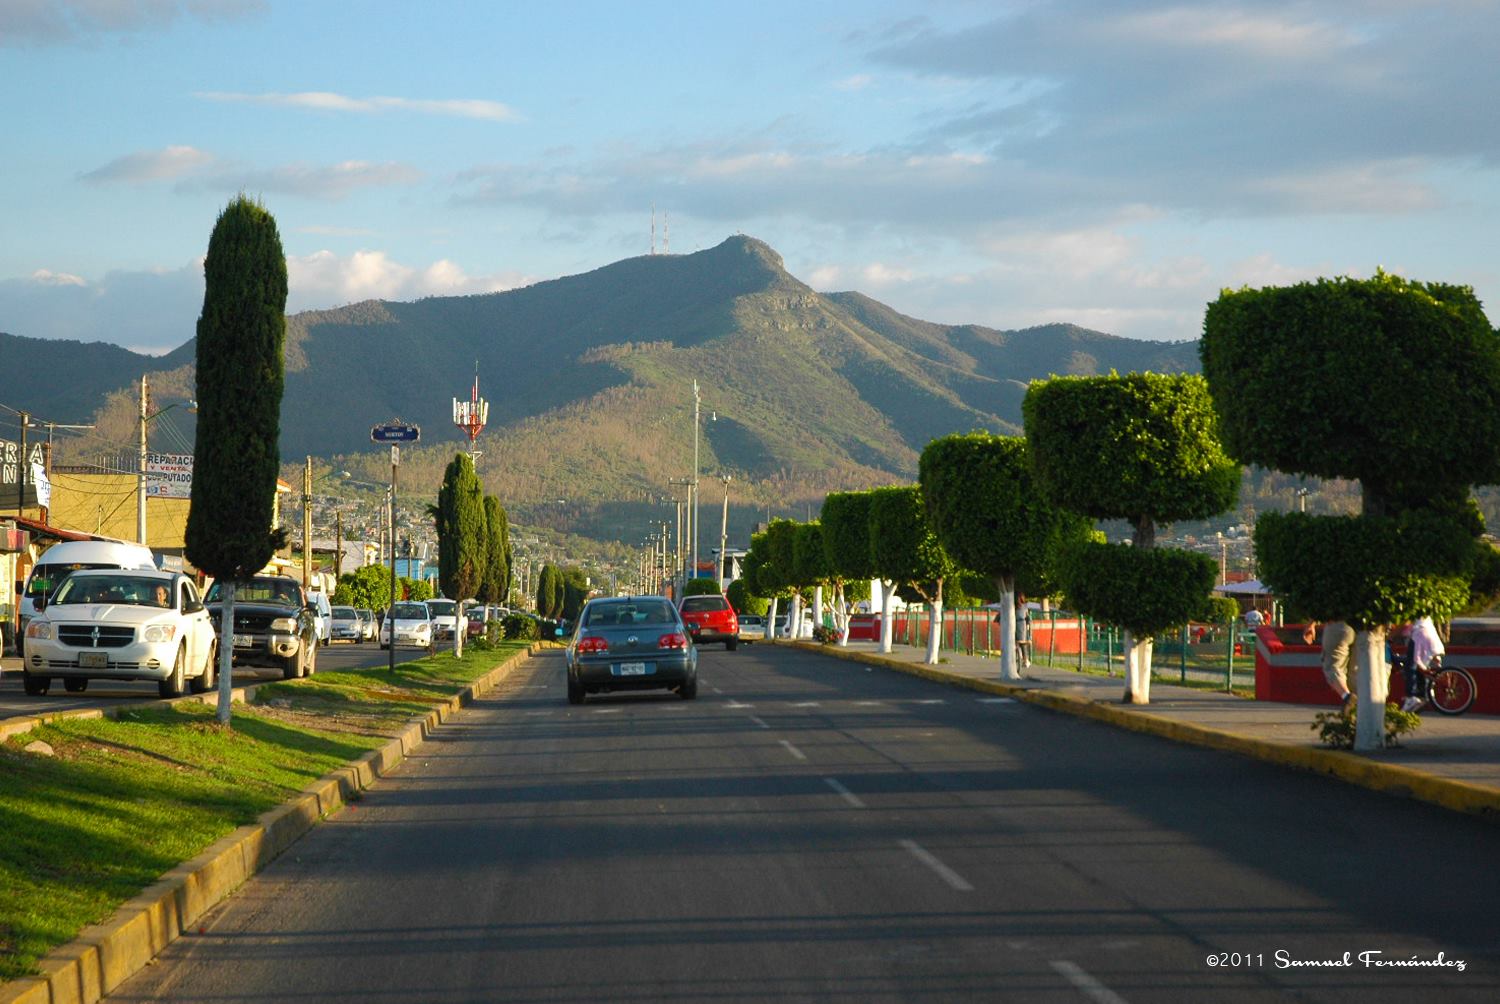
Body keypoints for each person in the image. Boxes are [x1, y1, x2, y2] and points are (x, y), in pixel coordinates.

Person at [1306, 620, 1356, 712]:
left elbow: (1321, 606)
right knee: (1354, 669)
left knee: (1332, 666)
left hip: (1337, 626)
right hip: (1359, 628)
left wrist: (1311, 624)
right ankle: (1358, 705)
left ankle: (1347, 697)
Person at [1403, 616, 1445, 713]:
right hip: (1431, 635)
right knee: (1420, 667)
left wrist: (1389, 636)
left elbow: (1404, 625)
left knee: (1410, 665)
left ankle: (1412, 696)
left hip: (1419, 635)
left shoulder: (1409, 611)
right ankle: (1422, 695)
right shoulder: (1426, 614)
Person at [1015, 594, 1033, 670]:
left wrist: (1028, 626)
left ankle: (1025, 659)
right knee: (1020, 642)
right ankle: (1023, 658)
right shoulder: (1014, 607)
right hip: (1016, 624)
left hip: (1021, 625)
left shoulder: (1024, 607)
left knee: (1022, 642)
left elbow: (1027, 617)